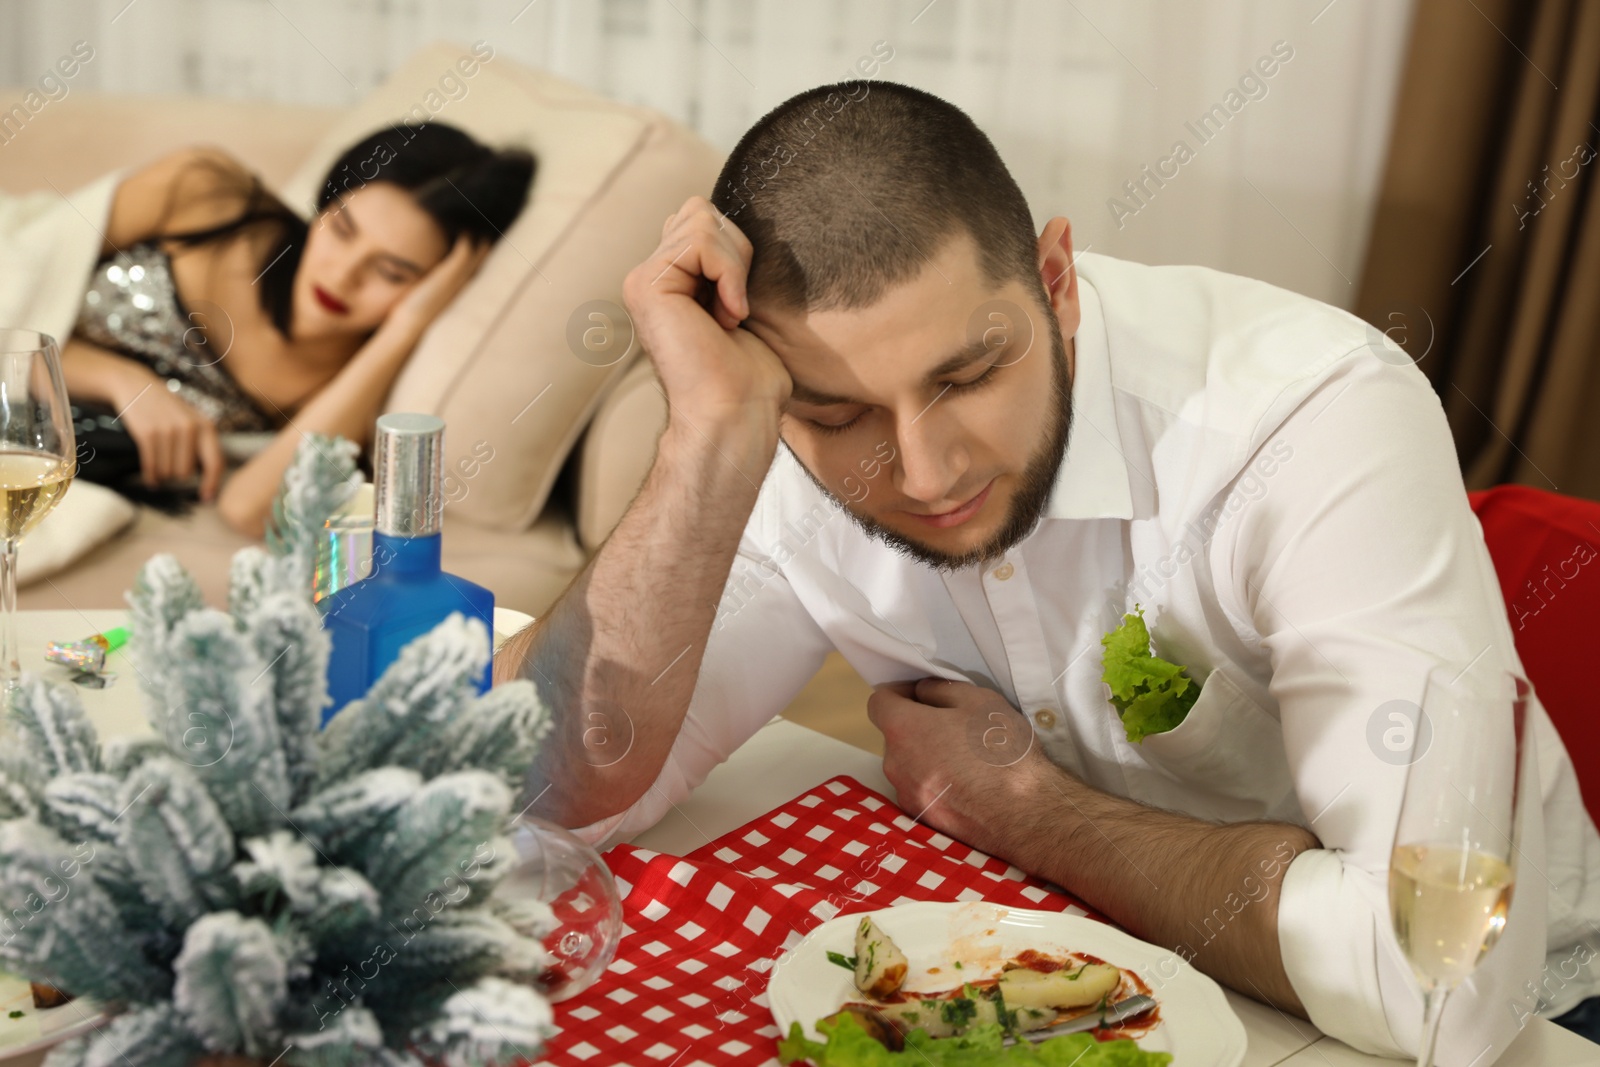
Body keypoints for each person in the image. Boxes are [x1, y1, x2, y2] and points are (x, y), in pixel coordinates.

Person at [493, 82, 1600, 1060]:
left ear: (1056, 279)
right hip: (1109, 987)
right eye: (834, 412)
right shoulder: (775, 429)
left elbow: (1438, 985)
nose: (921, 470)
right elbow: (532, 788)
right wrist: (705, 439)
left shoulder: (1310, 420)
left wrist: (1026, 810)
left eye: (968, 374)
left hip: (1537, 1022)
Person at [62, 122, 534, 534]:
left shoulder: (349, 387)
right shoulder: (202, 194)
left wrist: (404, 331)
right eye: (342, 229)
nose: (342, 274)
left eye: (392, 273)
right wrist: (123, 381)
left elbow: (249, 509)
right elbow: (21, 282)